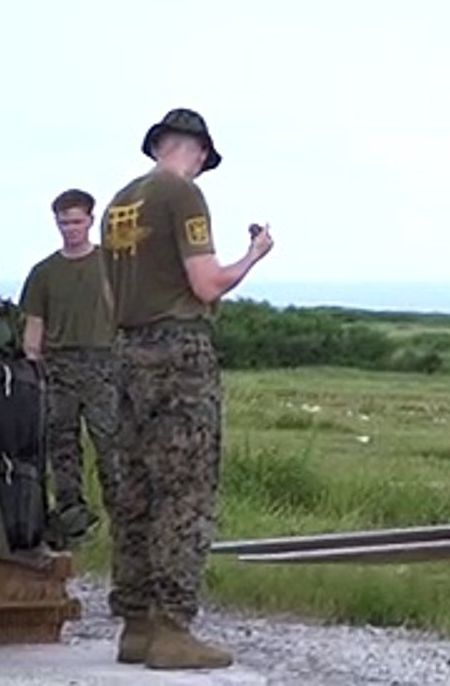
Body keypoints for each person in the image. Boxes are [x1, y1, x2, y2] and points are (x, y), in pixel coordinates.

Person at [100, 107, 273, 670]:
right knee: (185, 491)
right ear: (196, 150)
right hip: (179, 355)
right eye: (203, 158)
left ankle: (136, 624)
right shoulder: (182, 196)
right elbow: (206, 282)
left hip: (126, 353)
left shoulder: (117, 204)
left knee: (136, 492)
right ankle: (174, 628)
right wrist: (253, 255)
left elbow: (111, 296)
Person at [18, 188, 120, 549]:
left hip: (103, 363)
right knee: (61, 448)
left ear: (91, 221)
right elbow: (34, 325)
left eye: (77, 221)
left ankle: (124, 524)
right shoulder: (44, 272)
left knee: (112, 445)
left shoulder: (112, 263)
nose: (70, 229)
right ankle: (72, 521)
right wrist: (32, 367)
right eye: (64, 223)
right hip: (58, 366)